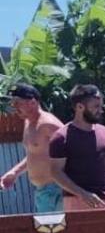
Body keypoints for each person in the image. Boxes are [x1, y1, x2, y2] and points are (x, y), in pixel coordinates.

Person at [0, 83, 98, 212]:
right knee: (47, 231)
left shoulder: (48, 124)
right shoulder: (28, 122)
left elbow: (75, 149)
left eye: (17, 102)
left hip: (58, 191)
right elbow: (35, 154)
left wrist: (81, 189)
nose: (14, 107)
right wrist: (14, 172)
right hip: (43, 192)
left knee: (61, 231)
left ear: (32, 102)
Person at [49, 84, 105, 211]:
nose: (101, 110)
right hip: (77, 202)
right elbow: (56, 172)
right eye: (96, 107)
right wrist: (83, 194)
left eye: (101, 106)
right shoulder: (61, 137)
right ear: (79, 107)